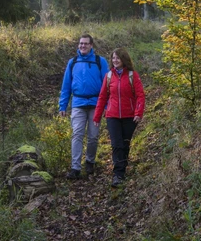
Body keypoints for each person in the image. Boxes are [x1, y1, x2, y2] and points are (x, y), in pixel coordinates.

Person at [59, 34, 109, 179]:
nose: (83, 46)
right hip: (78, 104)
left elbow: (106, 86)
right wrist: (63, 105)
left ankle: (90, 162)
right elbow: (66, 85)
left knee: (93, 136)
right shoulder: (73, 62)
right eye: (81, 43)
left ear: (91, 45)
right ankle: (75, 168)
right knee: (77, 135)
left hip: (96, 105)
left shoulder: (100, 61)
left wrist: (106, 105)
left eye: (86, 44)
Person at [93, 48, 145, 188]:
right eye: (113, 58)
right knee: (116, 144)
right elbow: (103, 96)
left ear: (124, 59)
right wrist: (97, 116)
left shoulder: (133, 75)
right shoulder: (109, 76)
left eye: (118, 58)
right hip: (112, 116)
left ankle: (122, 165)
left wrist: (138, 113)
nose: (115, 60)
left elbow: (140, 95)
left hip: (129, 116)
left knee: (125, 144)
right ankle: (118, 174)